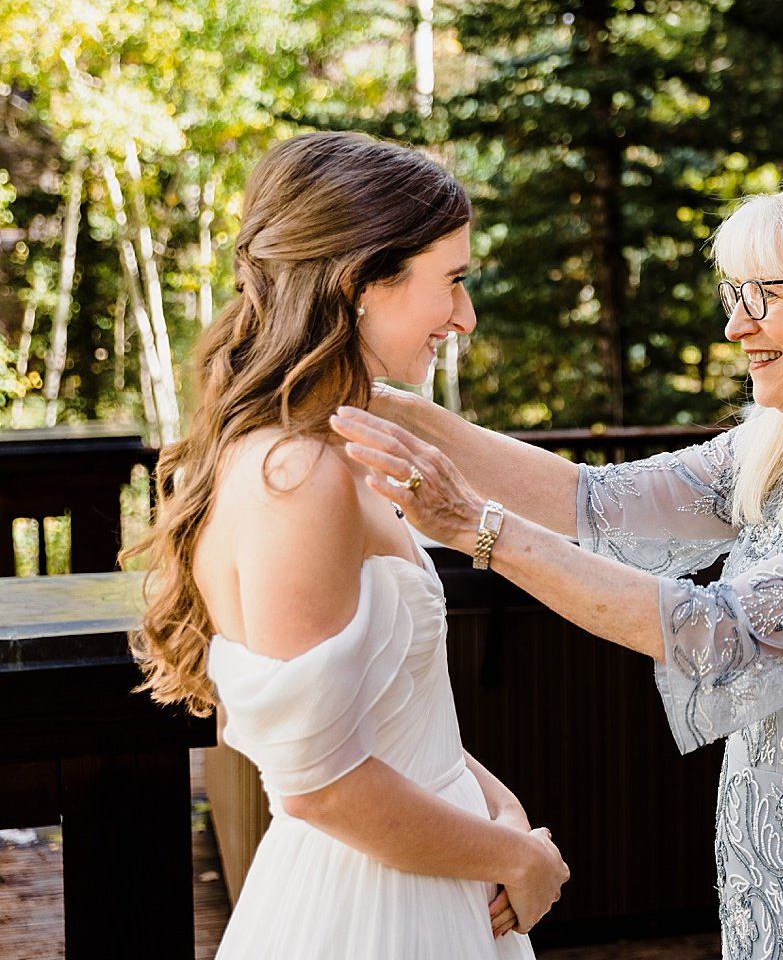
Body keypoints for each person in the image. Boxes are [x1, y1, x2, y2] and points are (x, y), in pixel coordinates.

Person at [329, 179, 783, 960]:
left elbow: (714, 632)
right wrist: (394, 408)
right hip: (768, 893)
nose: (733, 323)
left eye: (761, 294)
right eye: (732, 292)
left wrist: (478, 528)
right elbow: (594, 497)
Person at [131, 132, 568, 960]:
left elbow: (393, 719)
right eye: (454, 281)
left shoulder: (338, 448)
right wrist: (519, 856)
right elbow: (322, 787)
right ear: (361, 283)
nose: (465, 317)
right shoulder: (294, 476)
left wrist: (501, 807)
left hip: (434, 873)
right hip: (372, 912)